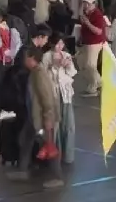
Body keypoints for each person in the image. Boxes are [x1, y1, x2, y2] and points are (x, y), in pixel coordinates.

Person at [7, 47, 63, 189]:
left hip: (43, 117)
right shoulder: (35, 73)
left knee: (49, 146)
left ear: (32, 58)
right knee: (25, 139)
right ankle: (23, 170)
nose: (24, 60)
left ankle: (57, 177)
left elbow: (47, 98)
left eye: (26, 57)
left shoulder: (39, 74)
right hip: (34, 116)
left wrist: (48, 118)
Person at [42, 35, 78, 165]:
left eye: (61, 44)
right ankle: (55, 156)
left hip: (66, 93)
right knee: (55, 126)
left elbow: (73, 73)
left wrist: (68, 65)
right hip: (53, 93)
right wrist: (56, 66)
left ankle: (68, 156)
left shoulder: (66, 55)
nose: (59, 46)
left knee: (68, 124)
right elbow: (44, 75)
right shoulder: (46, 56)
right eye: (57, 44)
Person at [76, 0, 107, 97]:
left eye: (88, 4)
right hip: (87, 42)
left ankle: (95, 85)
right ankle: (96, 83)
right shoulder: (86, 13)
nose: (85, 6)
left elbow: (99, 31)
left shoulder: (97, 15)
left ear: (94, 3)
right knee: (82, 63)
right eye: (84, 3)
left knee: (90, 65)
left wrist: (88, 23)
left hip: (95, 43)